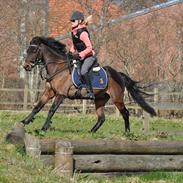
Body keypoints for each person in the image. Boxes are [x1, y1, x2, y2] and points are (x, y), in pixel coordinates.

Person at [69, 10, 96, 99]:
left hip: (89, 56)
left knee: (83, 71)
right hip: (81, 57)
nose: (71, 22)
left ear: (79, 21)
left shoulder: (83, 33)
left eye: (73, 20)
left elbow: (89, 47)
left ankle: (90, 92)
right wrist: (70, 53)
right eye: (71, 21)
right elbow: (75, 45)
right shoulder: (74, 32)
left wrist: (80, 54)